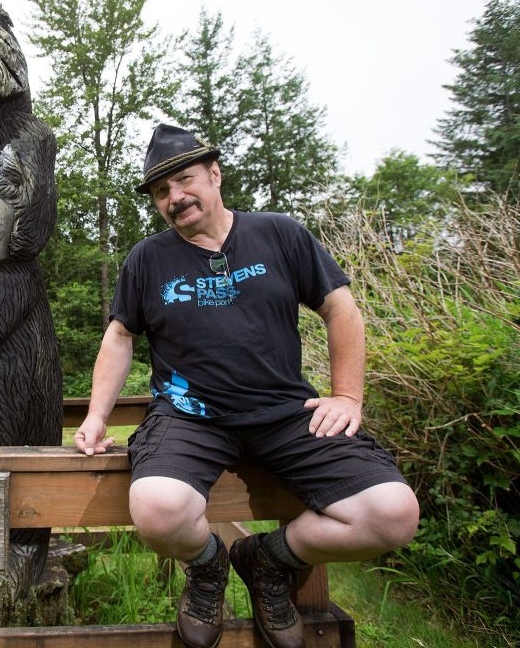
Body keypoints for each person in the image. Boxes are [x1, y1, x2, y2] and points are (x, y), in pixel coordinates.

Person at [74, 124, 419, 648]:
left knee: (392, 515)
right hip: (188, 414)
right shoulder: (147, 258)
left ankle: (265, 559)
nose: (175, 197)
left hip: (285, 412)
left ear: (214, 175)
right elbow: (120, 336)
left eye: (184, 180)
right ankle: (209, 566)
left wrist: (348, 395)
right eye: (161, 192)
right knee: (156, 510)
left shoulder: (279, 233)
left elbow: (340, 308)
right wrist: (97, 415)